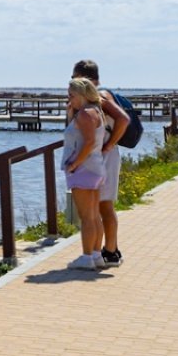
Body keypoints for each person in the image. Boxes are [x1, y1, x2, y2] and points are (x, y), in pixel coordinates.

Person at [72, 60, 130, 267]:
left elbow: (123, 119)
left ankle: (110, 252)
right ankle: (104, 251)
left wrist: (109, 145)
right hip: (100, 154)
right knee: (99, 205)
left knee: (105, 205)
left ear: (83, 78)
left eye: (74, 78)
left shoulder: (101, 96)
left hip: (105, 155)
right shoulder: (91, 99)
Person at [63, 78, 109, 271]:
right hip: (95, 167)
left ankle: (86, 257)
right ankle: (96, 255)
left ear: (82, 95)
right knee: (94, 215)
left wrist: (74, 164)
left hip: (84, 169)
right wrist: (70, 114)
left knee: (86, 217)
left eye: (72, 95)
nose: (69, 99)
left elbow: (88, 142)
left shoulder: (85, 114)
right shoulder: (95, 111)